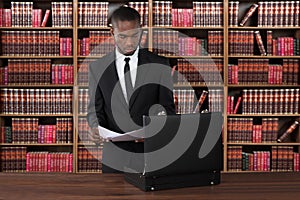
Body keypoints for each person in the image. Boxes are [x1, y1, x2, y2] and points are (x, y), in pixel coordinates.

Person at [87, 6, 176, 173]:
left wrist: (159, 128)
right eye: (122, 36)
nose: (129, 42)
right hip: (114, 156)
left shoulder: (160, 64)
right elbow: (94, 109)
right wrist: (95, 128)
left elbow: (168, 109)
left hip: (150, 153)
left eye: (135, 35)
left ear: (141, 31)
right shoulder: (97, 68)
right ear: (111, 33)